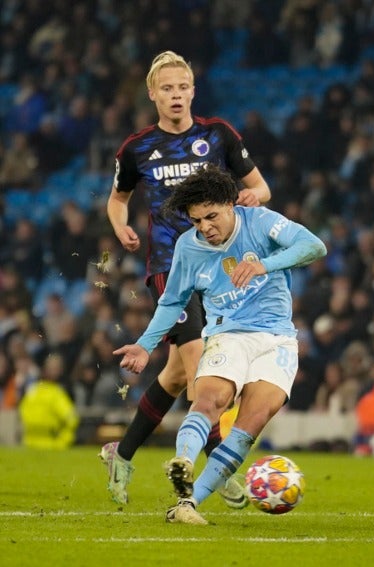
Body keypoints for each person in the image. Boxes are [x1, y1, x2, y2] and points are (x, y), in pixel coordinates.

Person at [100, 50, 271, 506]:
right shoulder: (137, 147)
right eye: (167, 88)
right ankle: (217, 467)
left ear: (193, 91)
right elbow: (118, 199)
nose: (176, 95)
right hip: (170, 269)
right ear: (153, 94)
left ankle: (122, 452)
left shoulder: (218, 135)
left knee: (177, 375)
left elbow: (261, 186)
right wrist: (120, 226)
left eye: (183, 87)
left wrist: (253, 195)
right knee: (201, 369)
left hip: (221, 270)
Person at [113, 165, 326, 525]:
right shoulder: (188, 247)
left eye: (211, 216)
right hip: (227, 334)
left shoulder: (260, 222)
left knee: (250, 424)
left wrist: (265, 265)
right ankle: (182, 461)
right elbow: (172, 302)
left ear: (230, 204)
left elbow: (314, 246)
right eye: (196, 221)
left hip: (277, 341)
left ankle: (187, 505)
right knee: (210, 400)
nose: (205, 227)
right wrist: (145, 345)